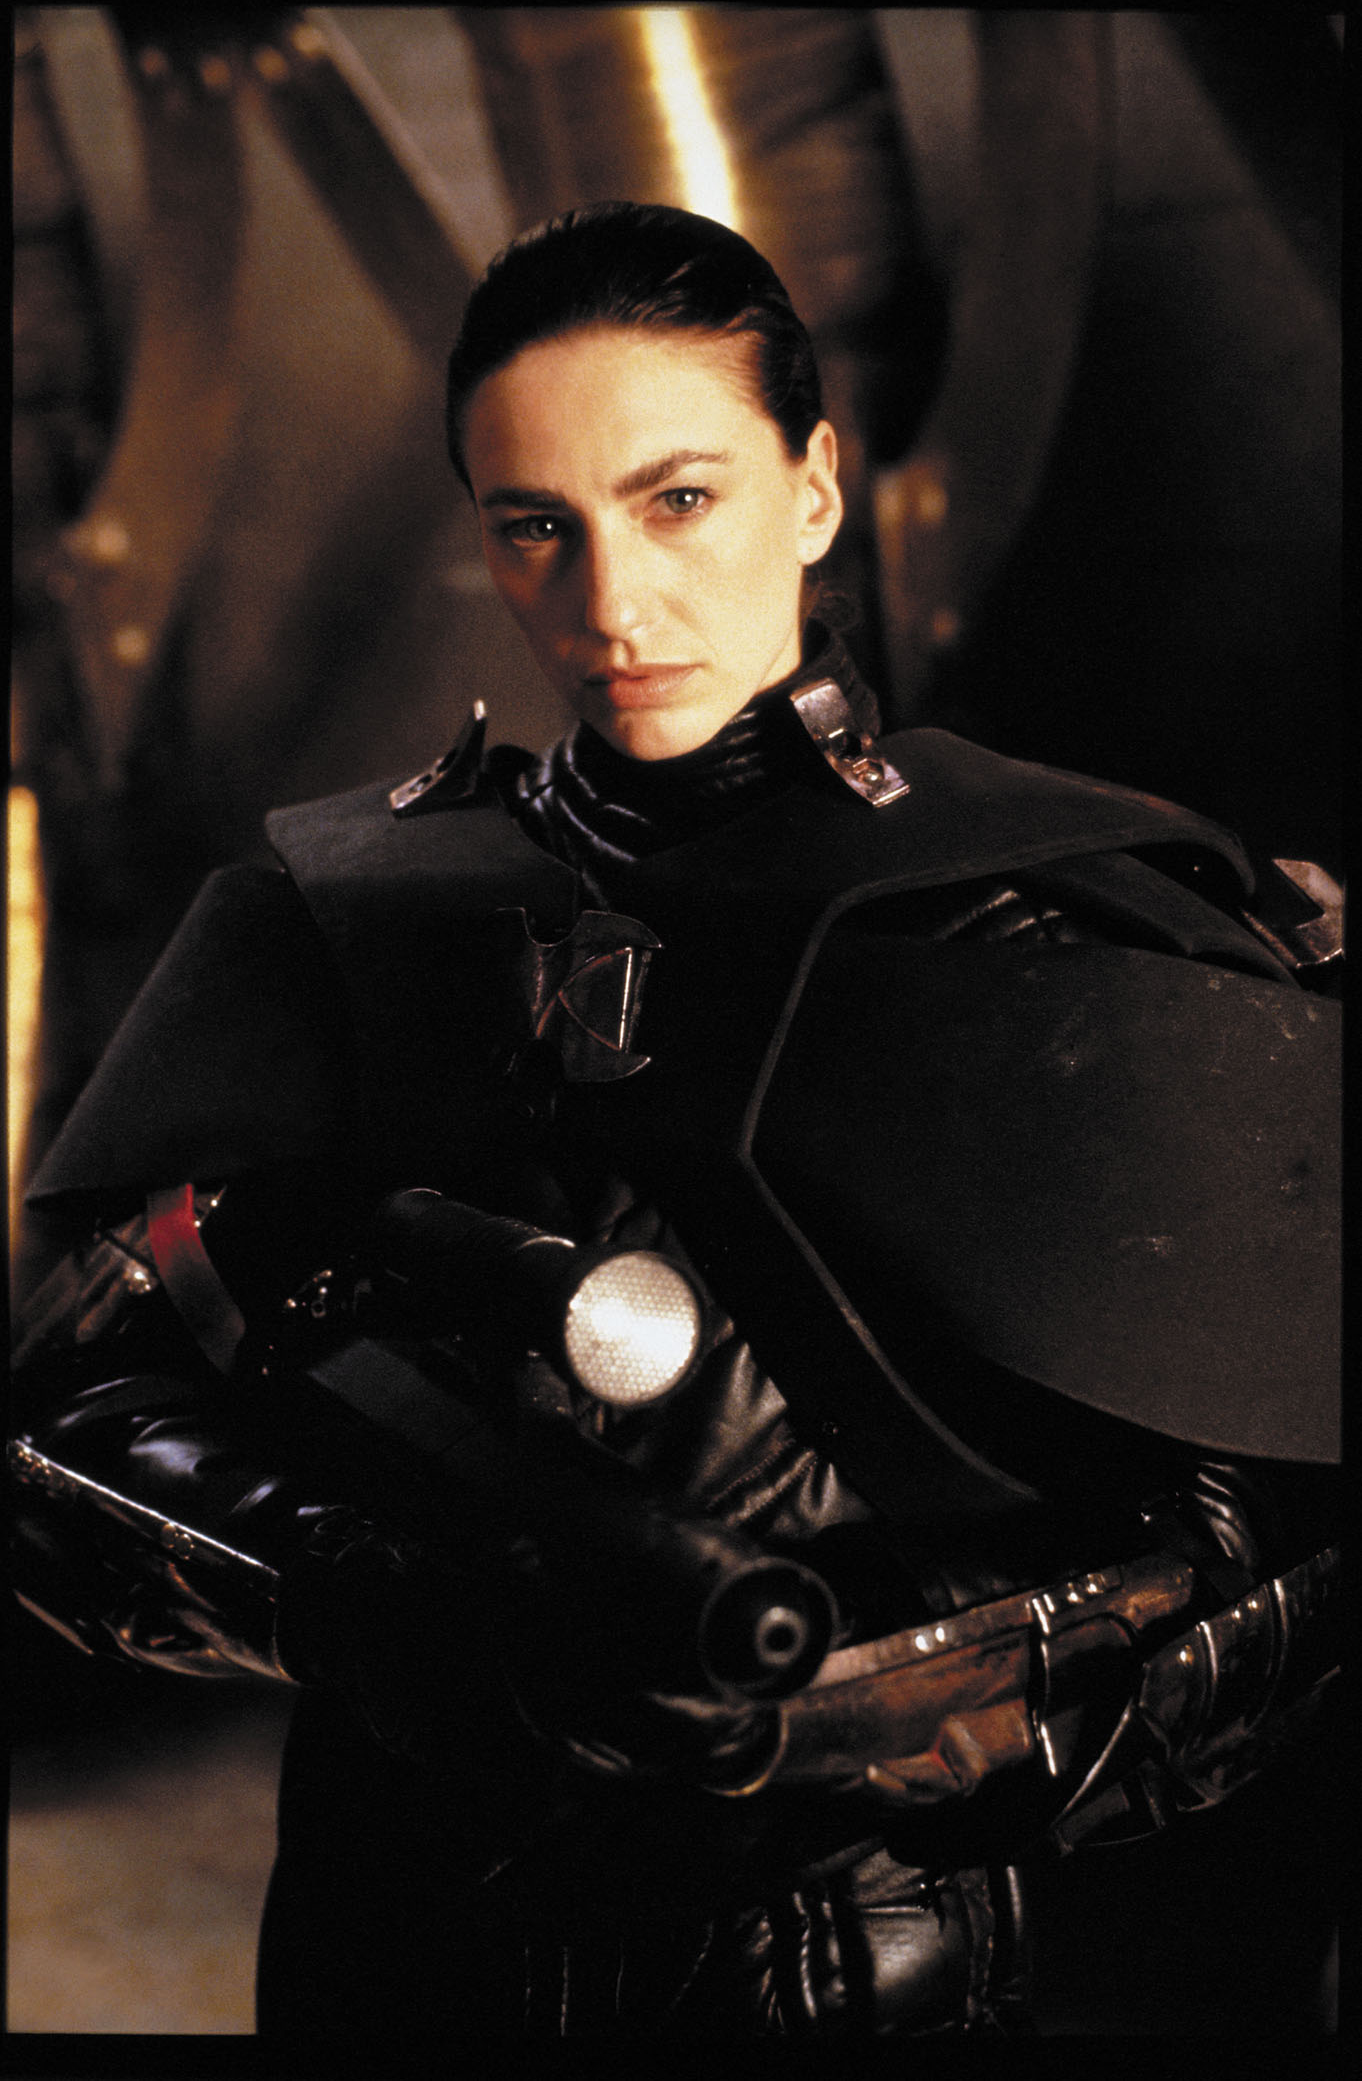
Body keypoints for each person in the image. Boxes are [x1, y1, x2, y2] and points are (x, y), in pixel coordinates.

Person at [10, 202, 1340, 2050]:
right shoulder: (349, 920)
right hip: (402, 1956)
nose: (612, 604)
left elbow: (1261, 1556)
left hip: (878, 1973)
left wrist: (860, 1708)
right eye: (533, 524)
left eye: (678, 500)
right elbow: (63, 1427)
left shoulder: (1049, 912)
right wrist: (368, 1598)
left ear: (813, 488)